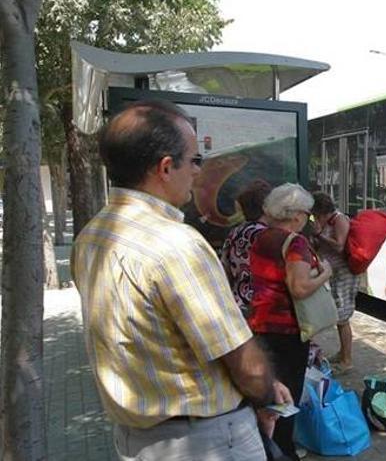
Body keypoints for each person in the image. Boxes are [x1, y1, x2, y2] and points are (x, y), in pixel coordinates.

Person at [72, 100, 291, 461]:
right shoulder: (177, 244)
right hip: (207, 440)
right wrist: (266, 398)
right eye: (194, 160)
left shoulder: (91, 237)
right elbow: (242, 359)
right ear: (165, 167)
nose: (197, 171)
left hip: (135, 440)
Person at [248, 183, 333, 459]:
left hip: (259, 325)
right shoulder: (295, 242)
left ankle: (266, 448)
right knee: (286, 397)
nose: (307, 221)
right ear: (296, 214)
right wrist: (325, 273)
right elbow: (299, 287)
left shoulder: (261, 238)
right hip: (286, 330)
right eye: (308, 215)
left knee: (268, 396)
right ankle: (282, 451)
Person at [311, 191, 358, 374]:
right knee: (339, 316)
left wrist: (319, 234)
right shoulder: (326, 222)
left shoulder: (339, 220)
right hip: (334, 273)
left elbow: (339, 245)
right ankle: (342, 353)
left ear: (322, 212)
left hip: (345, 274)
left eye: (316, 214)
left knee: (343, 317)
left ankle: (347, 360)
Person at [220, 179, 272, 315]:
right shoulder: (268, 235)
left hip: (237, 304)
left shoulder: (234, 233)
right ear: (267, 206)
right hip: (262, 306)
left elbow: (225, 269)